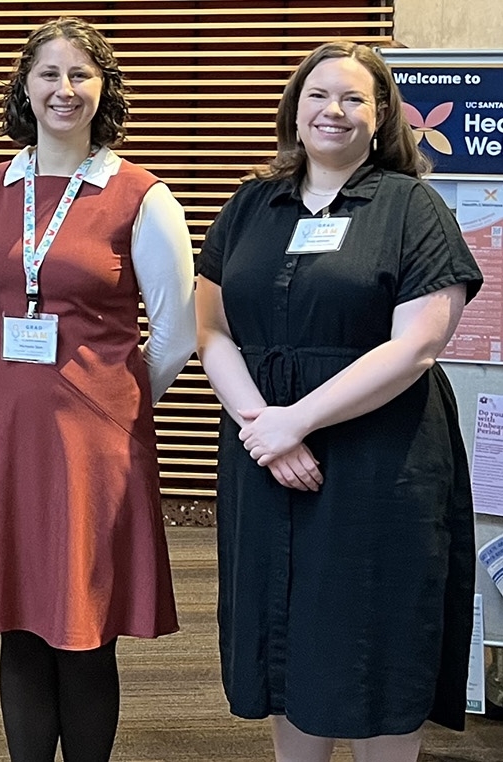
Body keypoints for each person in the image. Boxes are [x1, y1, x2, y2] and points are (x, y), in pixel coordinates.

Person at [196, 41, 480, 762]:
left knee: (373, 630)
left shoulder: (412, 207)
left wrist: (298, 421)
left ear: (383, 115)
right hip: (265, 451)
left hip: (380, 457)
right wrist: (264, 426)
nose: (335, 110)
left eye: (355, 98)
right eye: (320, 94)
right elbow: (212, 329)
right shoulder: (252, 204)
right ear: (295, 106)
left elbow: (416, 345)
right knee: (286, 626)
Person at [0, 17, 196, 762]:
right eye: (48, 74)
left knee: (84, 624)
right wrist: (7, 371)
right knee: (18, 618)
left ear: (104, 88)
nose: (64, 89)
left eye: (81, 75)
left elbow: (173, 333)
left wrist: (109, 396)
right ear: (23, 86)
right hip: (5, 431)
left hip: (97, 440)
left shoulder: (142, 195)